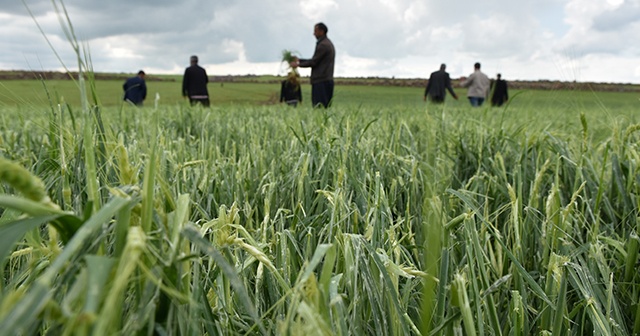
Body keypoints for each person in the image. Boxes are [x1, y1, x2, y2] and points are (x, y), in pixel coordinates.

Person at [290, 22, 335, 108]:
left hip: (321, 81)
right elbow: (316, 60)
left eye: (316, 31)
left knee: (319, 108)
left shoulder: (323, 45)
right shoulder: (327, 43)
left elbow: (314, 62)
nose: (314, 34)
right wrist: (299, 60)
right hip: (326, 80)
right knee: (325, 108)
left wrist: (298, 64)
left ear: (322, 32)